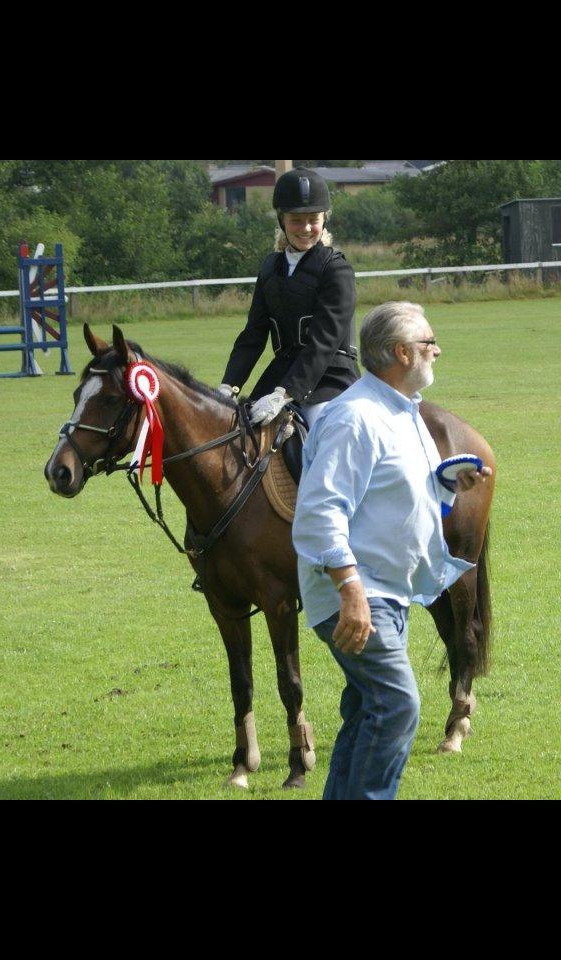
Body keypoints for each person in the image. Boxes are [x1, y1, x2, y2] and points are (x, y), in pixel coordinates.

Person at [292, 301, 493, 800]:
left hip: (389, 591)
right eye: (429, 343)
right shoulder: (354, 418)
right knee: (398, 705)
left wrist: (448, 481)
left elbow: (393, 490)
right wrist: (351, 592)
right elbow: (320, 513)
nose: (437, 350)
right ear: (402, 352)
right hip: (359, 593)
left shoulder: (401, 411)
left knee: (367, 709)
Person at [219, 168, 359, 430]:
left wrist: (285, 393)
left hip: (330, 380)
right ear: (282, 220)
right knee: (239, 432)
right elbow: (253, 335)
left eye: (313, 220)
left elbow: (324, 342)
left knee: (323, 432)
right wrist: (228, 386)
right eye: (296, 220)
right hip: (280, 376)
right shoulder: (270, 268)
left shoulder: (336, 269)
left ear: (323, 220)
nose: (305, 228)